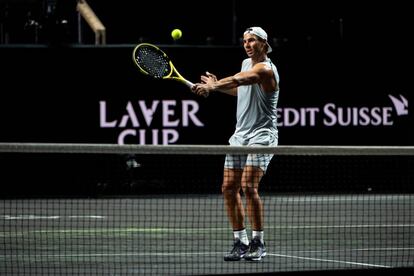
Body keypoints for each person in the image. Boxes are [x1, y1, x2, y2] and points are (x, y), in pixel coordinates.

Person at [192, 26, 279, 261]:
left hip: (262, 136)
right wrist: (217, 87)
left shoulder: (265, 69)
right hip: (239, 136)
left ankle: (258, 241)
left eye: (252, 41)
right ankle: (240, 241)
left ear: (264, 43)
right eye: (244, 41)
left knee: (249, 186)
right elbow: (240, 89)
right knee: (229, 188)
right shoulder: (244, 63)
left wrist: (214, 86)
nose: (247, 45)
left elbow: (244, 79)